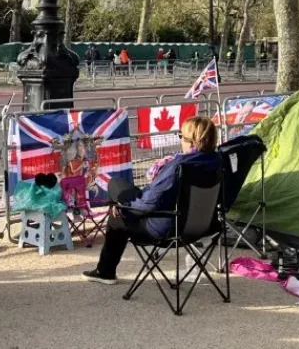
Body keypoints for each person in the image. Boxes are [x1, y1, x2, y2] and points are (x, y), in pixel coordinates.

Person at [82, 116, 221, 284]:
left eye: (181, 137)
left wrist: (124, 207)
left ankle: (105, 271)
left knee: (116, 204)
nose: (180, 141)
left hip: (165, 229)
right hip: (204, 226)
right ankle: (105, 266)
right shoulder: (219, 162)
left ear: (191, 142)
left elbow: (149, 203)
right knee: (118, 187)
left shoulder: (179, 167)